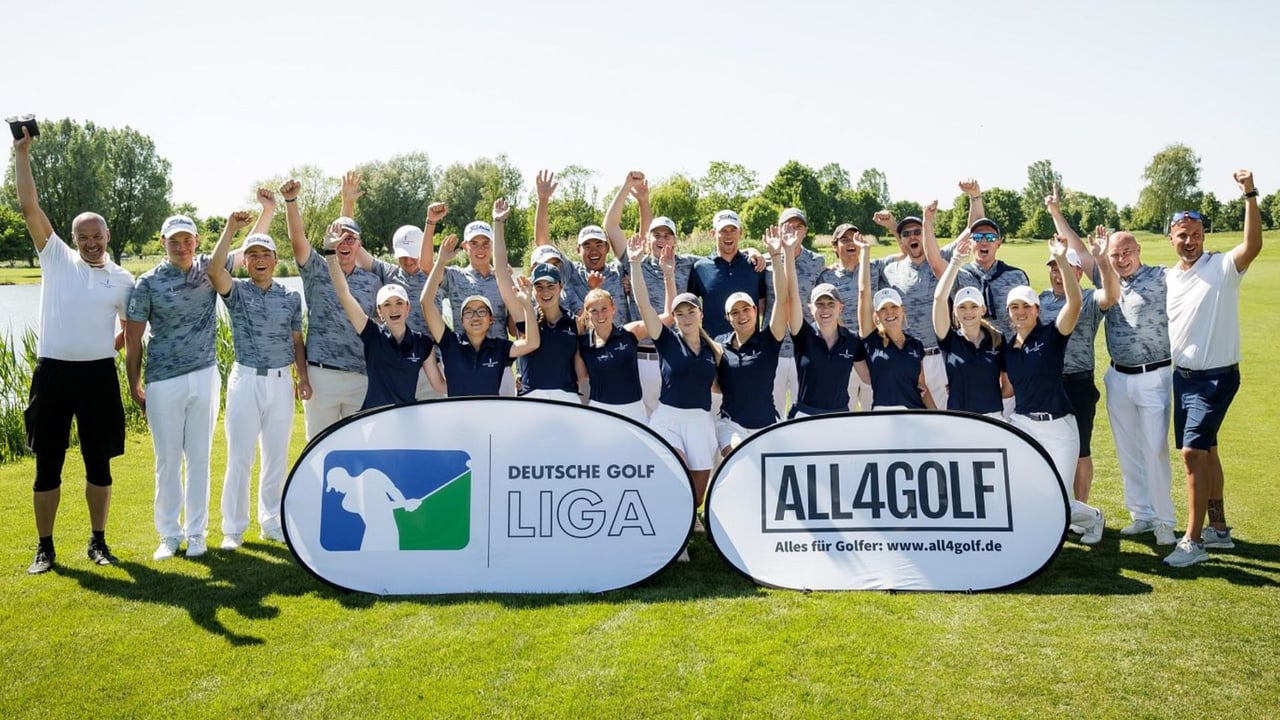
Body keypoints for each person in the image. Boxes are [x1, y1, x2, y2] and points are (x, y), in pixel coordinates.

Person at [14, 126, 134, 574]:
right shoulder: (55, 257)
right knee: (48, 465)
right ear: (72, 238)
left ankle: (98, 542)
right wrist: (21, 155)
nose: (92, 241)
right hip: (54, 375)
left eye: (98, 234)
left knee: (98, 462)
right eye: (84, 235)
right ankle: (45, 547)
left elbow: (130, 328)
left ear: (106, 236)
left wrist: (109, 347)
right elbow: (29, 206)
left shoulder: (122, 279)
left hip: (98, 376)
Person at [125, 206, 247, 561]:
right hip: (163, 381)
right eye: (174, 240)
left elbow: (251, 250)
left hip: (205, 374)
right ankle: (168, 534)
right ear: (163, 242)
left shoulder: (209, 269)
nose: (181, 246)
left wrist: (242, 221)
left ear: (196, 241)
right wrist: (134, 385)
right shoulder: (146, 282)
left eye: (187, 239)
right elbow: (133, 341)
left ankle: (196, 533)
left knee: (199, 458)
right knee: (166, 460)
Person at [1162, 171, 1263, 567]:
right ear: (1171, 238)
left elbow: (1252, 245)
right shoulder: (1171, 277)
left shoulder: (1222, 267)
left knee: (1191, 454)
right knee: (1208, 452)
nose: (1190, 241)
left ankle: (1193, 540)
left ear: (1204, 235)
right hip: (1182, 379)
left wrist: (1250, 195)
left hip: (1216, 378)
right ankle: (1219, 530)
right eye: (1182, 235)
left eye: (1196, 234)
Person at [1060, 219, 1178, 546]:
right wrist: (1056, 213)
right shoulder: (1106, 276)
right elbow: (1080, 250)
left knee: (1154, 449)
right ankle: (1142, 514)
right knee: (1128, 450)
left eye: (1127, 252)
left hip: (1154, 374)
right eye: (1115, 254)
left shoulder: (1161, 277)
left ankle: (1165, 521)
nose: (1121, 258)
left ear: (1138, 251)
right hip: (1118, 376)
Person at [207, 208, 307, 551]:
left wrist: (302, 378)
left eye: (266, 254)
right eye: (253, 255)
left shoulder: (291, 297)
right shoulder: (237, 291)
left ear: (276, 260)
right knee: (240, 457)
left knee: (276, 457)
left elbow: (297, 341)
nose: (260, 260)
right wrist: (232, 227)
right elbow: (213, 269)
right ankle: (232, 529)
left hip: (281, 382)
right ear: (245, 261)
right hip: (246, 380)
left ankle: (271, 522)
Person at [1001, 239, 1106, 545]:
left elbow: (1075, 304)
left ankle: (1093, 518)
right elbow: (1007, 388)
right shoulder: (1007, 349)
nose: (1020, 312)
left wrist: (1061, 260)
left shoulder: (1052, 335)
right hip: (1024, 425)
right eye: (1014, 308)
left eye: (1026, 307)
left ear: (1037, 309)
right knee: (1027, 491)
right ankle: (1042, 533)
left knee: (1057, 496)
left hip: (1059, 427)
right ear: (1009, 313)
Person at [285, 179, 395, 438]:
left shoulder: (373, 280)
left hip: (361, 377)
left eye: (351, 239)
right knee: (318, 447)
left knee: (358, 450)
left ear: (359, 244)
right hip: (322, 377)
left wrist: (348, 203)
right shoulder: (317, 269)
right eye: (339, 238)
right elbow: (297, 240)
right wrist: (291, 202)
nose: (344, 244)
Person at [628, 235, 720, 511]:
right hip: (668, 419)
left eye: (691, 311)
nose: (685, 317)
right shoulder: (666, 338)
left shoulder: (715, 349)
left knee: (698, 495)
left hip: (700, 421)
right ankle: (672, 531)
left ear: (700, 314)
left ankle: (687, 516)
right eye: (680, 313)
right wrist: (634, 263)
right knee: (675, 467)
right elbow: (644, 306)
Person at [1037, 208, 1120, 508]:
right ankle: (1052, 508)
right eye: (1054, 268)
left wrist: (1102, 261)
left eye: (1065, 268)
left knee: (1081, 450)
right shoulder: (1040, 300)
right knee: (1046, 448)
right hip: (1046, 386)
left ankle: (1080, 510)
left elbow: (1110, 296)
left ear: (1078, 273)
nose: (1058, 274)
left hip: (1078, 383)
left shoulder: (1088, 299)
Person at [421, 210, 539, 397]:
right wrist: (431, 224)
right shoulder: (455, 276)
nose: (480, 250)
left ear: (492, 246)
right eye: (474, 244)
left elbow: (513, 326)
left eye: (485, 244)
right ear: (465, 246)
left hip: (501, 364)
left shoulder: (503, 278)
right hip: (463, 365)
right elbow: (427, 268)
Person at [326, 221, 437, 410]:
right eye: (387, 304)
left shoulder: (437, 277)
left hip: (427, 362)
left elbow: (442, 384)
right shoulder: (373, 334)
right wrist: (330, 251)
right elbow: (344, 292)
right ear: (379, 310)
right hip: (389, 371)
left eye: (399, 303)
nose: (394, 309)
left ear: (407, 308)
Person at [715, 228, 790, 455]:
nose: (742, 315)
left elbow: (782, 298)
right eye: (735, 312)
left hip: (767, 424)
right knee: (739, 457)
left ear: (756, 311)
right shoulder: (720, 344)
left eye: (746, 309)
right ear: (728, 319)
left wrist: (775, 257)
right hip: (731, 425)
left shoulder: (769, 338)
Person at [931, 234, 1006, 419]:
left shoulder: (997, 340)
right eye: (962, 307)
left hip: (993, 417)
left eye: (973, 306)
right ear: (955, 312)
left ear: (983, 310)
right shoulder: (949, 339)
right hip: (959, 418)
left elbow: (1008, 385)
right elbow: (940, 299)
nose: (968, 312)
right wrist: (955, 262)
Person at [764, 208, 829, 419]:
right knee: (773, 410)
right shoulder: (765, 261)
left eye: (798, 226)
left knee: (803, 411)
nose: (792, 230)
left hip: (806, 348)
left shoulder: (817, 262)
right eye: (787, 225)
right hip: (774, 347)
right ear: (779, 229)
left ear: (805, 231)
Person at [856, 237, 934, 411]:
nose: (889, 312)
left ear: (902, 310)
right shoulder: (872, 340)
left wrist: (938, 416)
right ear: (876, 315)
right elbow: (863, 292)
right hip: (884, 415)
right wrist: (865, 251)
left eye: (893, 307)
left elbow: (922, 388)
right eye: (883, 309)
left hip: (916, 414)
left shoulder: (915, 344)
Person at [817, 223, 874, 411]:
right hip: (842, 351)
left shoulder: (873, 269)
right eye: (845, 239)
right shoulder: (826, 276)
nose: (851, 243)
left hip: (870, 350)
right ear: (835, 246)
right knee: (843, 412)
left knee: (872, 410)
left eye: (855, 238)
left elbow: (905, 254)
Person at [515, 261, 583, 402]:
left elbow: (580, 369)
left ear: (560, 287)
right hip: (532, 397)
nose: (545, 292)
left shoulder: (575, 322)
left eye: (551, 286)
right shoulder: (526, 318)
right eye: (539, 287)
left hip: (567, 397)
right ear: (532, 290)